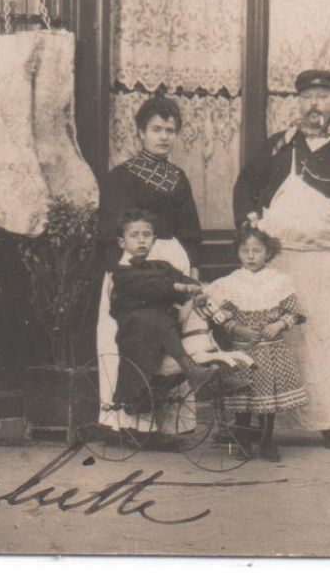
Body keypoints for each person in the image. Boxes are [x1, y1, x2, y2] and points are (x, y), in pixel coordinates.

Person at [232, 69, 330, 450]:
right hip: (282, 261)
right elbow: (246, 186)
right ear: (298, 103)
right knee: (282, 337)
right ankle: (276, 418)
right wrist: (248, 223)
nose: (315, 104)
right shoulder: (278, 146)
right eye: (307, 97)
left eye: (323, 96)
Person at [204, 222, 308, 461]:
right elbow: (217, 317)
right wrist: (237, 328)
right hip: (242, 350)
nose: (250, 256)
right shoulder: (229, 283)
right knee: (243, 398)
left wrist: (278, 325)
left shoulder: (279, 282)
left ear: (268, 253)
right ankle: (242, 440)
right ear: (237, 253)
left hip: (270, 351)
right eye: (244, 250)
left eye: (257, 250)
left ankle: (267, 441)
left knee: (266, 402)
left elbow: (293, 313)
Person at [108, 209, 216, 413]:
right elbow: (152, 286)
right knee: (156, 317)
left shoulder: (161, 266)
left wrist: (195, 289)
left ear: (154, 239)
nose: (141, 241)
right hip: (134, 330)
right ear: (122, 243)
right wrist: (179, 288)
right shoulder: (122, 273)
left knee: (205, 314)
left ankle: (218, 364)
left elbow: (184, 279)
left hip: (162, 326)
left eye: (146, 235)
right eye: (134, 235)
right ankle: (190, 370)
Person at [99, 96, 204, 261]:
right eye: (156, 129)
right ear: (142, 132)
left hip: (175, 260)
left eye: (170, 130)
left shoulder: (178, 177)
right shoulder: (121, 177)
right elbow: (112, 234)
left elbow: (190, 232)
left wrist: (194, 267)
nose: (164, 137)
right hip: (133, 265)